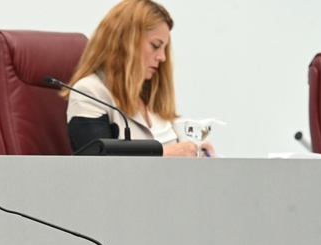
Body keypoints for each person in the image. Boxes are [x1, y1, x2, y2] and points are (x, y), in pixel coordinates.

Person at [65, 0, 215, 157]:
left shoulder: (153, 95)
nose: (162, 57)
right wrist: (166, 154)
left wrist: (199, 158)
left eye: (165, 48)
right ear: (125, 43)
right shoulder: (89, 92)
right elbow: (101, 169)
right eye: (156, 46)